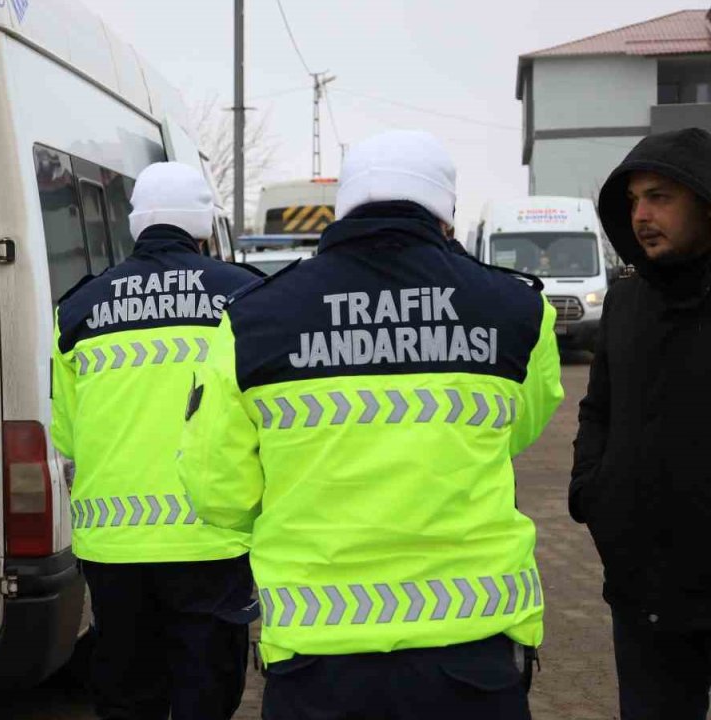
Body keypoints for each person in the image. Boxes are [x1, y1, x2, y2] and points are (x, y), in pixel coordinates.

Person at [179, 130, 564, 720]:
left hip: (318, 652)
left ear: (343, 209)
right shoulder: (517, 309)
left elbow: (218, 493)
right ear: (446, 214)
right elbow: (519, 429)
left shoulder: (254, 319)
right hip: (473, 645)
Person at [51, 162, 260, 720]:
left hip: (114, 549)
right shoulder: (249, 299)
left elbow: (65, 433)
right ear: (203, 227)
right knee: (206, 695)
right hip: (211, 541)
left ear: (135, 225)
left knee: (127, 696)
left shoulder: (77, 309)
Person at [571, 127, 711, 719]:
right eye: (632, 202)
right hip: (644, 592)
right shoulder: (627, 302)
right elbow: (597, 405)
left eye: (660, 197)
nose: (642, 215)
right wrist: (592, 488)